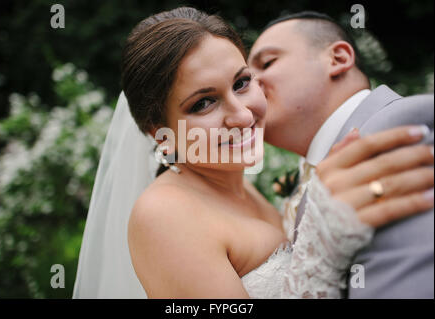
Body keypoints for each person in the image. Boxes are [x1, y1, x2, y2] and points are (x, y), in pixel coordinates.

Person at [72, 7, 434, 299]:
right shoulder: (163, 215)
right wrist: (320, 257)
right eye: (204, 103)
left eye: (242, 83)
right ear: (161, 135)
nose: (244, 114)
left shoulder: (250, 193)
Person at [248, 11, 434, 298]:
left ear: (338, 59)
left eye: (267, 63)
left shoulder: (398, 132)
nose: (250, 90)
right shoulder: (310, 172)